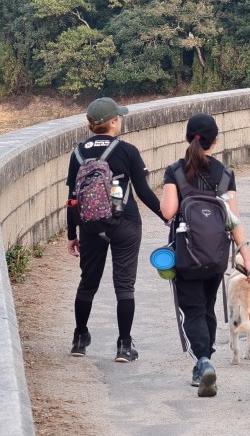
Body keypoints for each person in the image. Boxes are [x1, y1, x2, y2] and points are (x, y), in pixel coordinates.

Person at [160, 113, 250, 397]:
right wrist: (247, 260)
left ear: (186, 138)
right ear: (215, 141)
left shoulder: (175, 172)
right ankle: (206, 361)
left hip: (186, 255)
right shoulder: (225, 174)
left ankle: (202, 361)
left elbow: (167, 212)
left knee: (191, 310)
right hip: (216, 256)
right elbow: (234, 221)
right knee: (207, 306)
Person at [66, 97, 165, 363]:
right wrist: (166, 216)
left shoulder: (77, 153)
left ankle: (79, 338)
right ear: (112, 122)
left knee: (88, 283)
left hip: (90, 225)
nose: (120, 120)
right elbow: (143, 191)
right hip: (125, 223)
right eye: (118, 117)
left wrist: (71, 234)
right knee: (124, 285)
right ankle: (123, 346)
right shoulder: (127, 150)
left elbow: (73, 197)